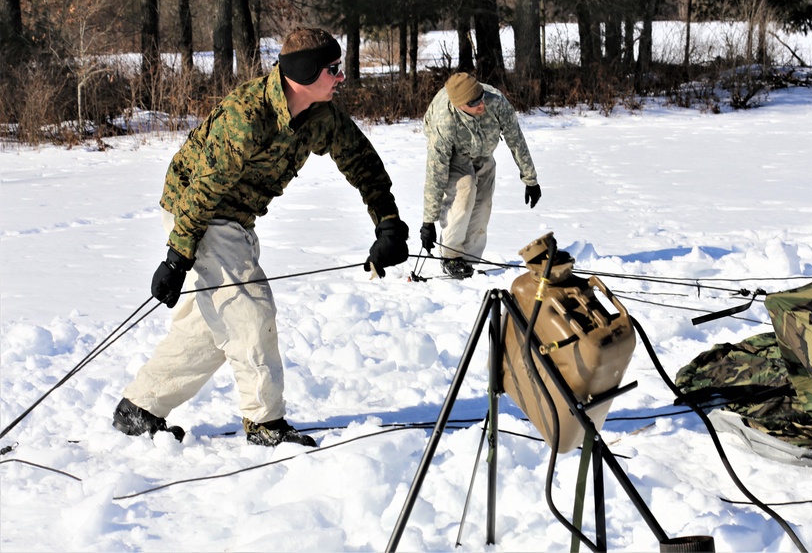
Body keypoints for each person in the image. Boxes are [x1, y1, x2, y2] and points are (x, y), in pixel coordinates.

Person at [113, 28, 409, 447]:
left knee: (213, 328)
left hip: (234, 220)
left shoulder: (323, 115)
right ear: (305, 73)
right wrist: (177, 258)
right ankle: (265, 422)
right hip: (199, 211)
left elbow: (364, 164)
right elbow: (203, 190)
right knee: (249, 312)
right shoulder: (247, 116)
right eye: (333, 69)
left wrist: (389, 224)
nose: (341, 76)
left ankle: (138, 408)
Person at [419, 72, 541, 278]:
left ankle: (468, 259)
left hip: (484, 151)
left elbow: (516, 140)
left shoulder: (496, 102)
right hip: (455, 154)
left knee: (483, 201)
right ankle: (451, 256)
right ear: (459, 106)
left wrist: (531, 179)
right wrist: (428, 221)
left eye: (480, 97)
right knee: (465, 190)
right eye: (473, 102)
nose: (481, 104)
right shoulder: (444, 123)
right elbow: (435, 171)